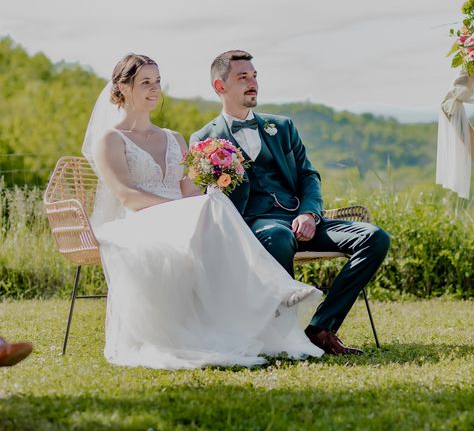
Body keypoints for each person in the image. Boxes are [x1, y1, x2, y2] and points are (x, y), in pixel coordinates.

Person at [82, 54, 323, 369]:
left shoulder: (173, 138)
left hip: (185, 215)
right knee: (207, 210)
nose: (155, 89)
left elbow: (188, 189)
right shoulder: (110, 140)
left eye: (157, 82)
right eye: (145, 83)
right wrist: (182, 210)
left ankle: (269, 293)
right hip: (142, 219)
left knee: (215, 200)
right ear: (123, 89)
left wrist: (216, 174)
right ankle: (273, 288)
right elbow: (128, 196)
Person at [191, 50, 390, 355]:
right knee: (279, 235)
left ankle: (321, 328)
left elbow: (309, 176)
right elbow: (213, 201)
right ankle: (285, 336)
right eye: (242, 77)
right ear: (220, 87)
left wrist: (310, 213)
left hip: (301, 218)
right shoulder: (205, 139)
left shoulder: (282, 127)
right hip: (254, 225)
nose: (252, 82)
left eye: (254, 76)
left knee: (374, 237)